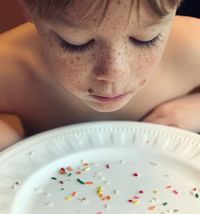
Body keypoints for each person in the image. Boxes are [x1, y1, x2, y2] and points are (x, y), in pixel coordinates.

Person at [0, 0, 200, 153]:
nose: (115, 74)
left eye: (145, 39)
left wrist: (194, 109)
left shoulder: (192, 46)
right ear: (28, 7)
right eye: (76, 43)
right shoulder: (8, 66)